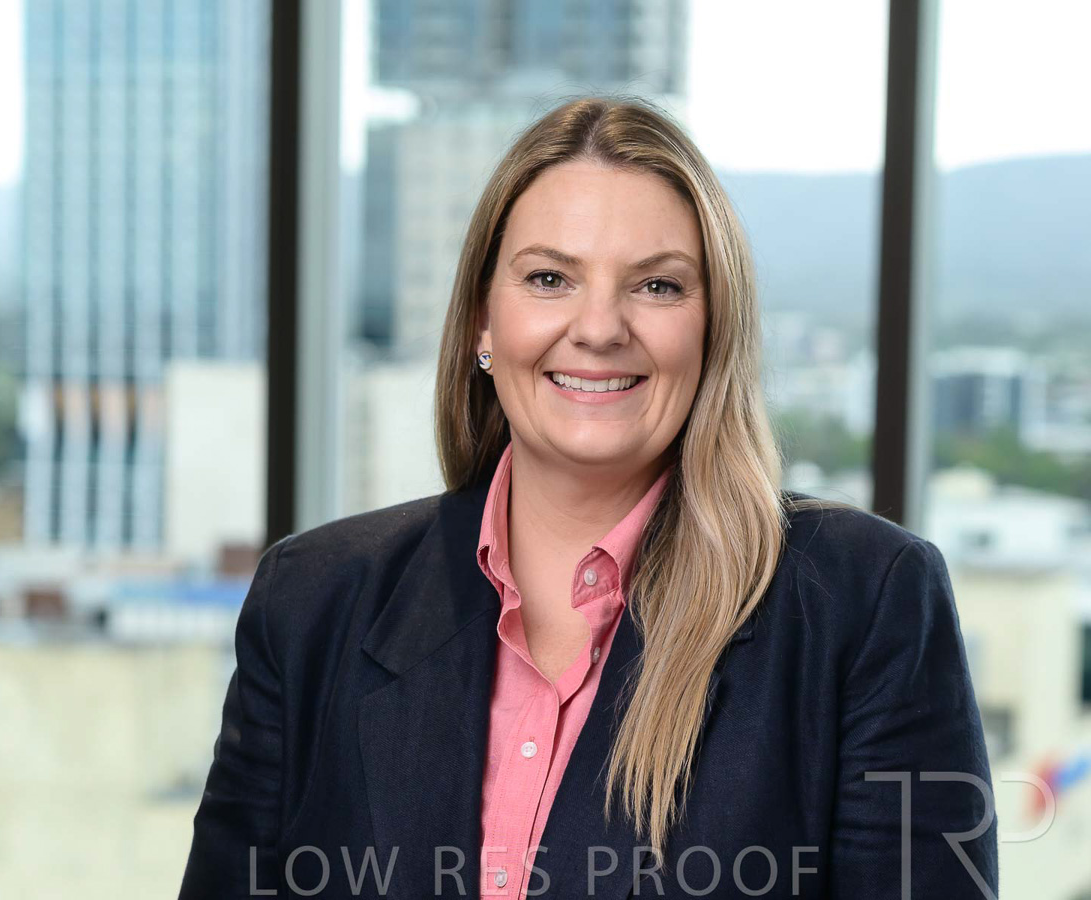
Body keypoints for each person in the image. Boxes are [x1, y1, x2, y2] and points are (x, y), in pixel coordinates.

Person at [178, 96, 998, 899]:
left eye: (658, 287)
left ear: (713, 328)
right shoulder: (314, 599)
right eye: (549, 278)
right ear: (482, 322)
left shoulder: (862, 602)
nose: (599, 327)